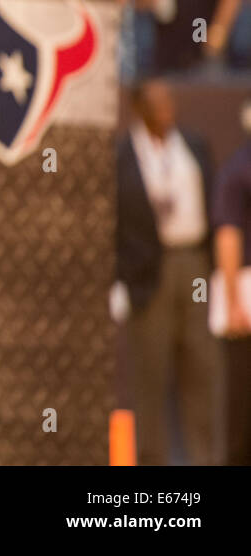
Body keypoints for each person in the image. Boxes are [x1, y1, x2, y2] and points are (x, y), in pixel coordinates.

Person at [114, 78, 219, 465]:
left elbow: (213, 203)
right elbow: (116, 223)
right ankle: (151, 459)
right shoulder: (122, 157)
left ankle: (205, 458)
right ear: (140, 109)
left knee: (202, 367)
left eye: (170, 102)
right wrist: (122, 278)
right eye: (158, 104)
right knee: (151, 374)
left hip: (193, 264)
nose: (167, 110)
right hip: (149, 270)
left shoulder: (193, 145)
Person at [211, 98, 251, 466]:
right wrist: (235, 300)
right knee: (241, 397)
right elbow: (228, 235)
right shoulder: (239, 170)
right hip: (247, 296)